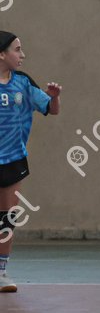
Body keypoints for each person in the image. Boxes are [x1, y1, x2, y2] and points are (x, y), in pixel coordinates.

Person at [0, 31, 61, 292]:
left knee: (6, 218)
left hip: (13, 160)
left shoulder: (23, 83)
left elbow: (51, 109)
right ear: (2, 54)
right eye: (17, 50)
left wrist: (54, 96)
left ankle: (1, 273)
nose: (22, 55)